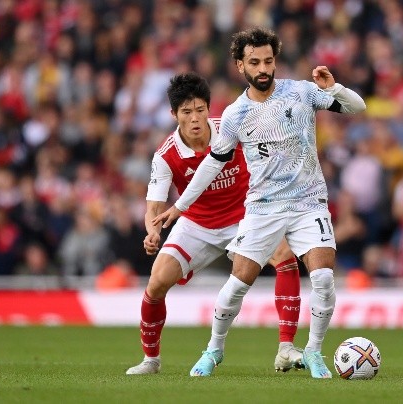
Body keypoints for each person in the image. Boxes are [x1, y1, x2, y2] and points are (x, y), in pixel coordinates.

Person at [154, 28, 366, 379]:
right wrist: (181, 205)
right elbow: (213, 163)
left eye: (268, 60)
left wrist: (333, 88)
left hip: (308, 203)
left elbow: (358, 107)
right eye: (254, 62)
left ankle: (313, 351)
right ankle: (214, 350)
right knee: (238, 284)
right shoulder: (236, 114)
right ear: (240, 65)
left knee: (325, 278)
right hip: (263, 209)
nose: (263, 68)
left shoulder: (301, 92)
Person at [125, 72, 303, 375]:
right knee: (156, 283)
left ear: (209, 108)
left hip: (246, 216)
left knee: (285, 258)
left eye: (200, 110)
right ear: (174, 115)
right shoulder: (166, 155)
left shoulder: (230, 131)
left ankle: (286, 347)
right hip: (197, 223)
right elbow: (154, 206)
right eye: (186, 112)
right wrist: (153, 230)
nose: (195, 118)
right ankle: (150, 360)